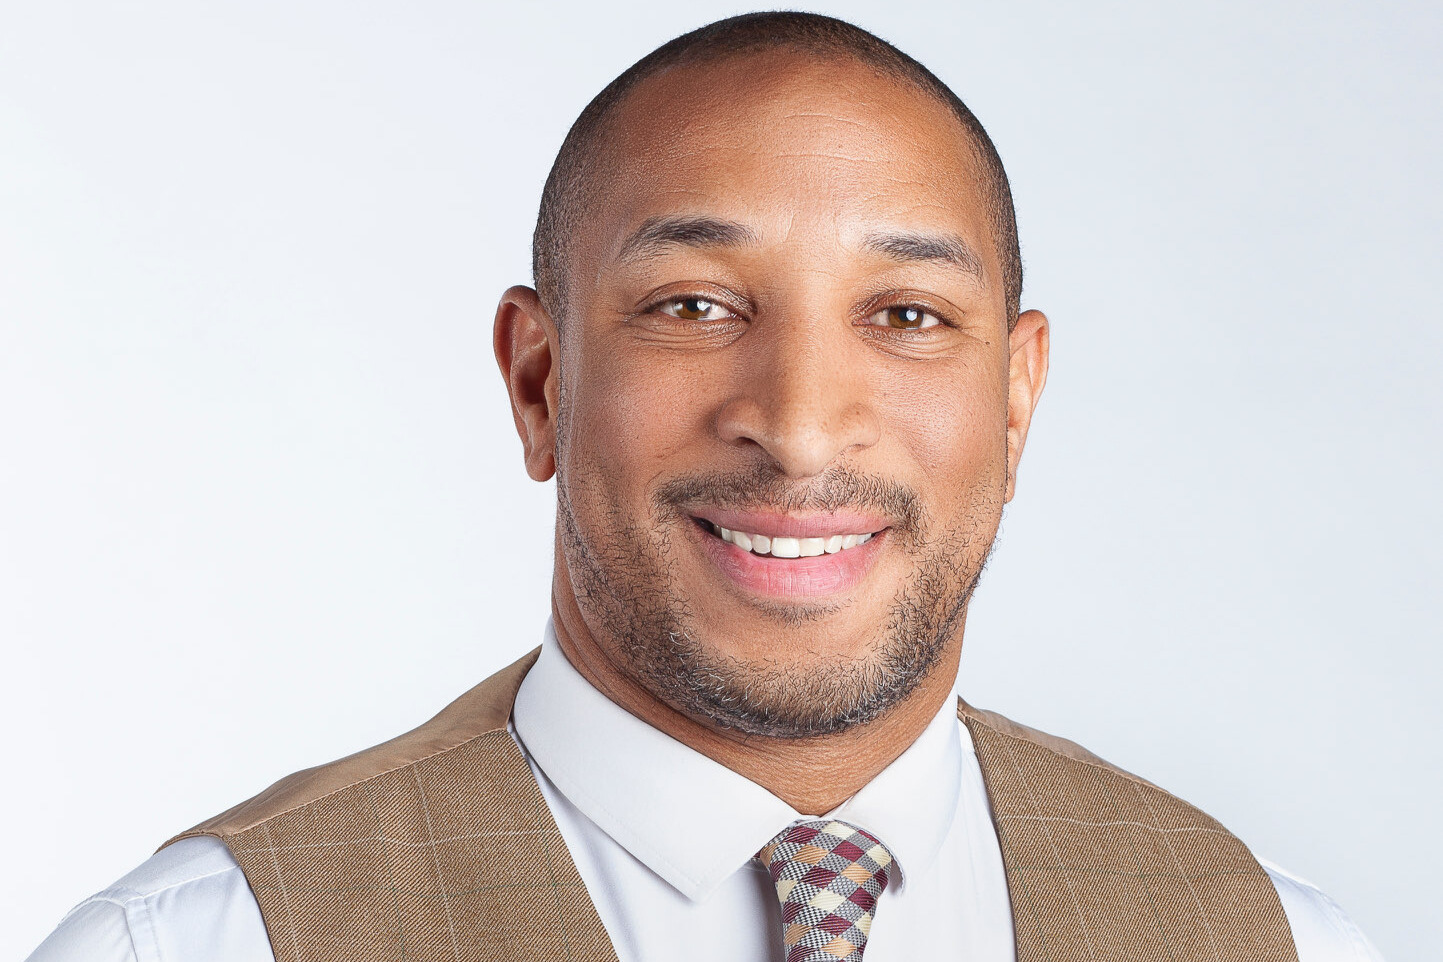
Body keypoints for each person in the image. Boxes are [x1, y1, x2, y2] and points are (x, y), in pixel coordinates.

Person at [28, 12, 1383, 962]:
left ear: (1015, 399)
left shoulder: (1275, 943)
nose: (797, 428)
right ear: (540, 380)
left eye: (907, 316)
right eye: (692, 304)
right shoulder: (210, 944)